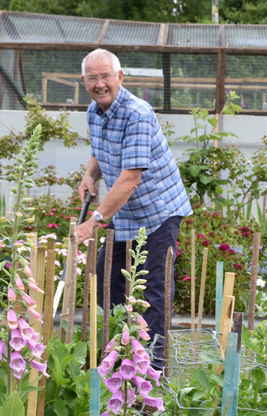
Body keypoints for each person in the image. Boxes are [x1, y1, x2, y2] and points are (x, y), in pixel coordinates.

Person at [75, 48, 192, 368]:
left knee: (151, 295)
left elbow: (129, 179)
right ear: (84, 81)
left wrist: (94, 221)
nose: (100, 84)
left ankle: (151, 376)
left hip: (158, 213)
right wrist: (90, 174)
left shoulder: (138, 113)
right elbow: (102, 148)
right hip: (124, 213)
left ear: (120, 78)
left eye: (106, 77)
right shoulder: (94, 111)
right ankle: (119, 356)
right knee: (105, 280)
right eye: (92, 78)